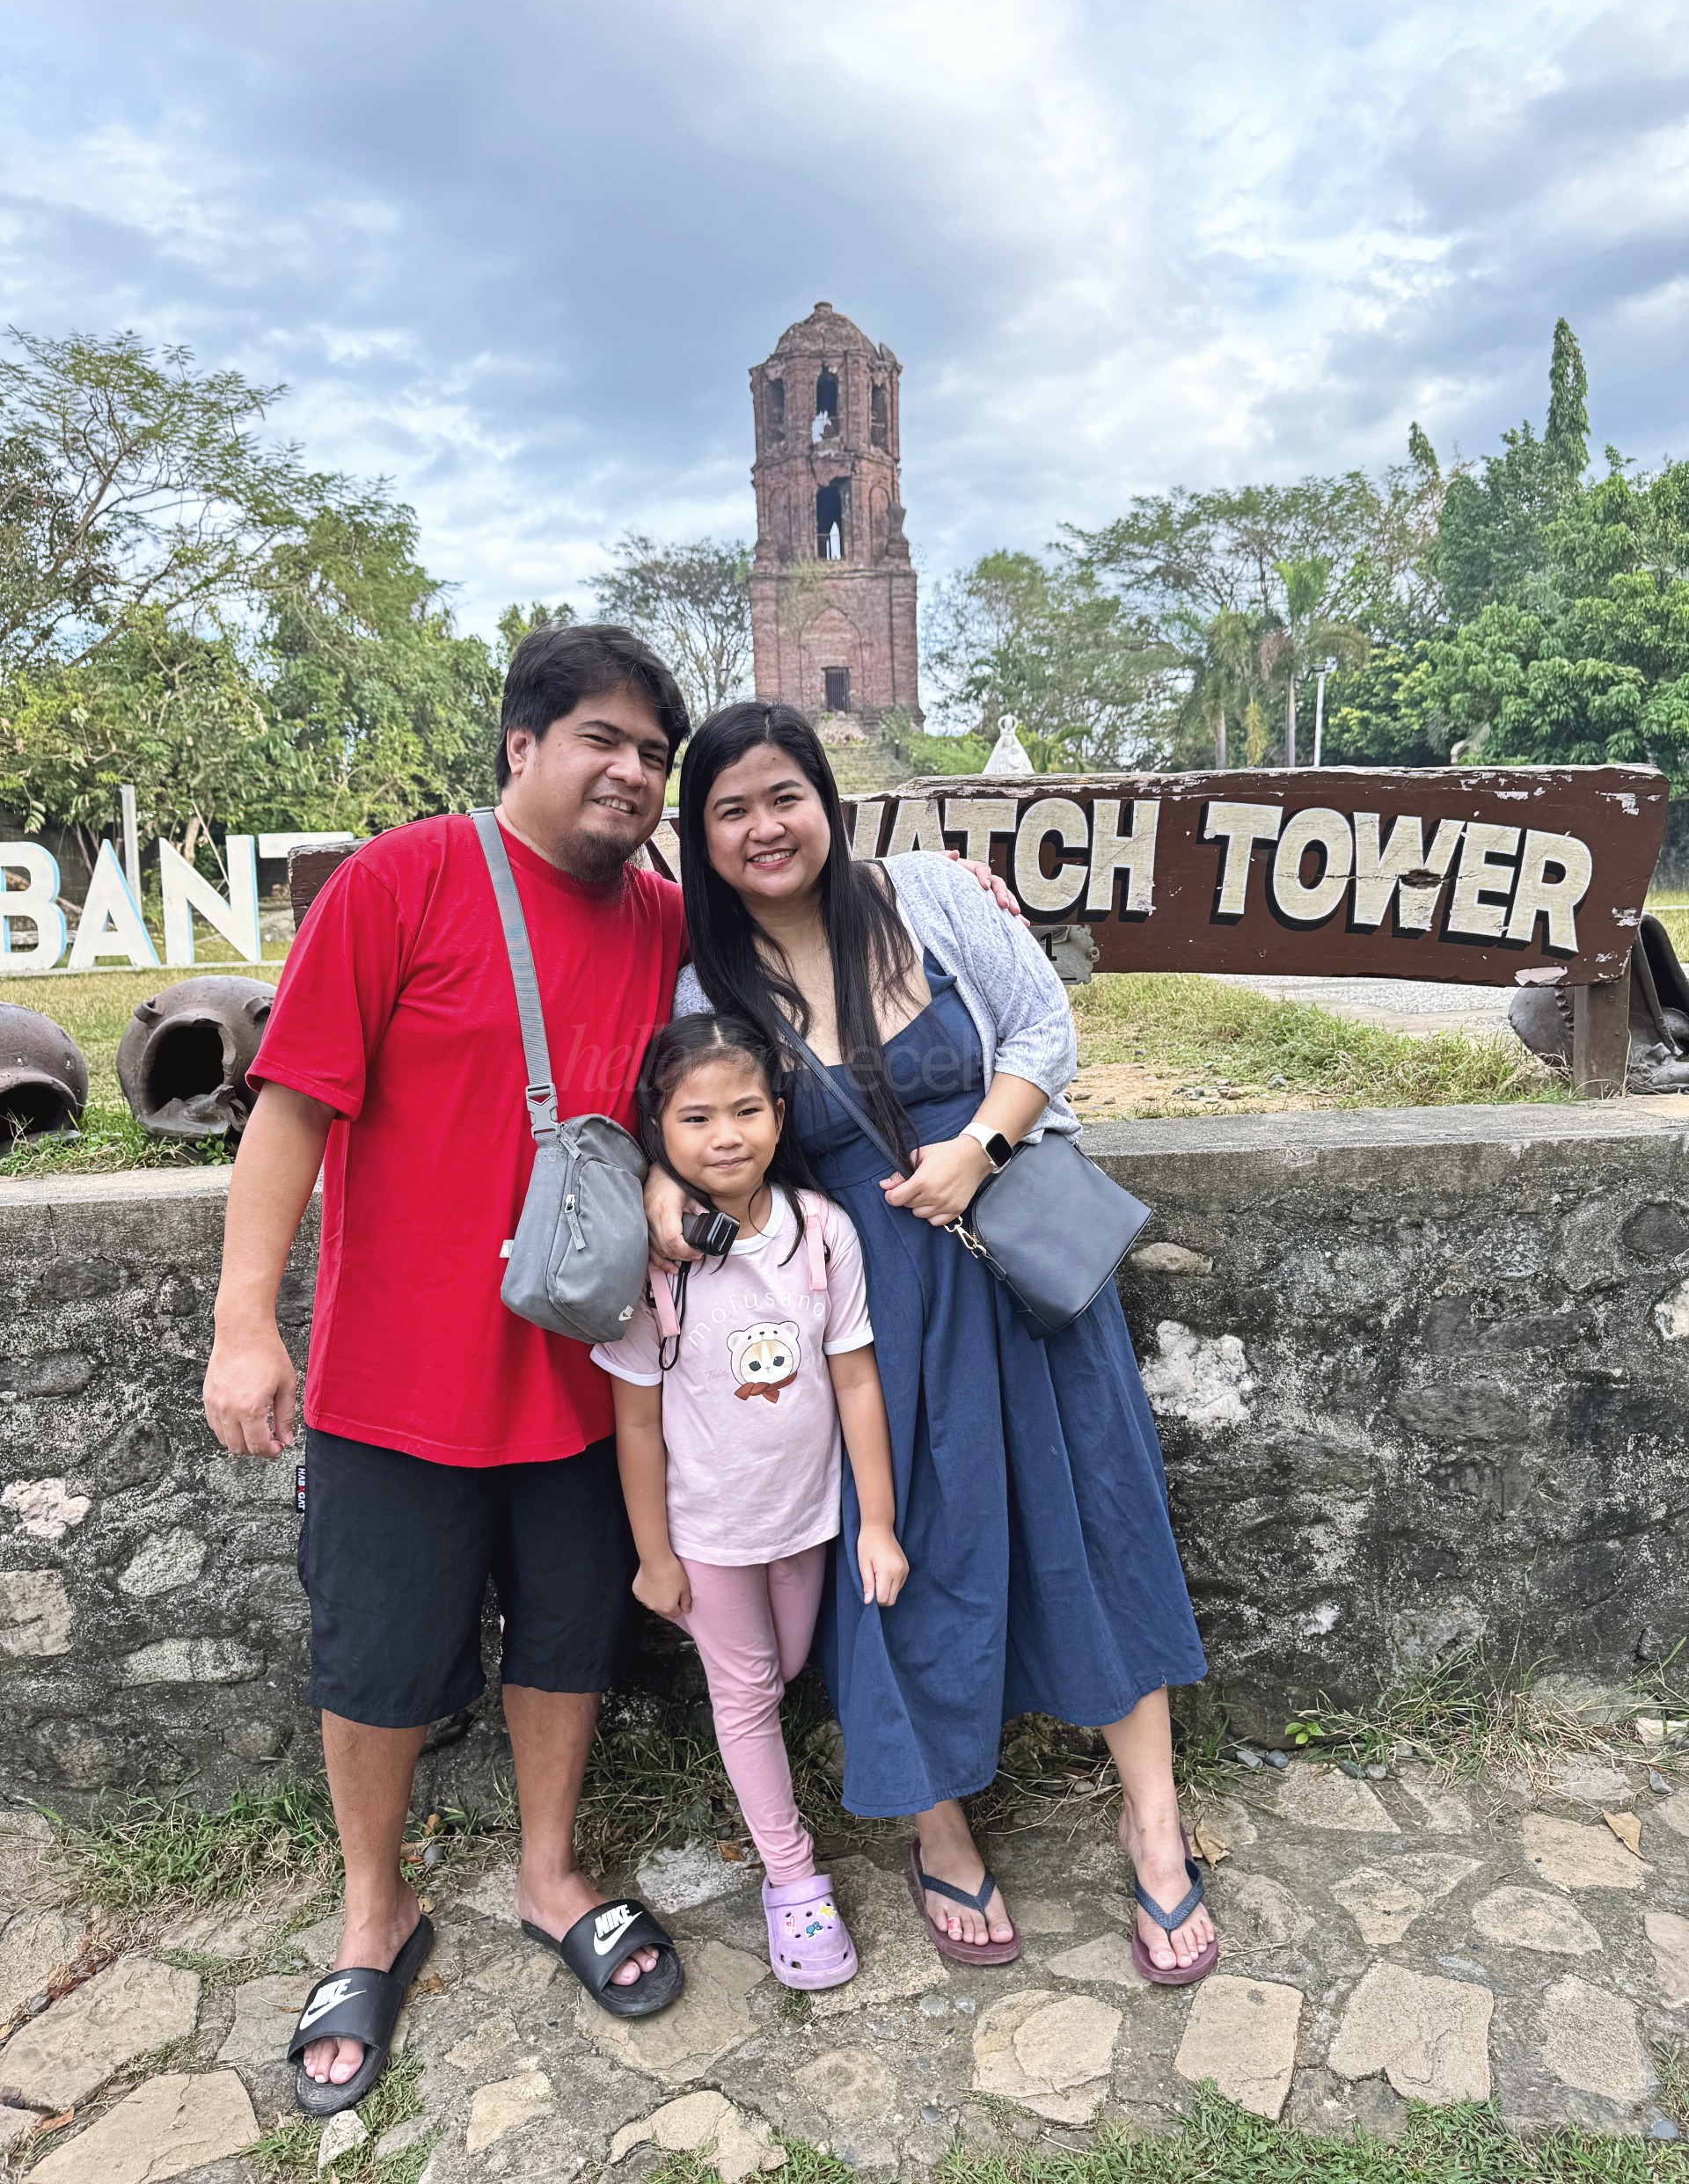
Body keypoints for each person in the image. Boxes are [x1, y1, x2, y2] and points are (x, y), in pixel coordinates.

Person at [202, 625, 698, 2116]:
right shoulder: (400, 884)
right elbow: (289, 1113)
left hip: (584, 1377)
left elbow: (807, 915)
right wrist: (245, 1320)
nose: (632, 773)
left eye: (654, 755)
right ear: (522, 746)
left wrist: (966, 891)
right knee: (376, 1659)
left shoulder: (666, 920)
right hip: (395, 1379)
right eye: (603, 738)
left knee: (565, 1637)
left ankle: (550, 1874)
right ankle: (376, 1908)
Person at [650, 700, 1218, 1985]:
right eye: (730, 809)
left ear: (825, 799)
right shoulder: (711, 984)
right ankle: (937, 1822)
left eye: (783, 795)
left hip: (1018, 1265)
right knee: (898, 1558)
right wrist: (655, 1192)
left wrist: (978, 1148)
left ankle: (1155, 1822)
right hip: (867, 1319)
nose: (763, 827)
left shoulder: (925, 895)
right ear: (702, 837)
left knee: (1101, 1522)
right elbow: (700, 1133)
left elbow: (1043, 1033)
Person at [594, 1014, 908, 1988]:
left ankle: (765, 1782)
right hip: (710, 1534)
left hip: (807, 1520)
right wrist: (654, 1554)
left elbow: (857, 1379)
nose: (725, 1135)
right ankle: (791, 1877)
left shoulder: (823, 1232)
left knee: (786, 1667)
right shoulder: (654, 1264)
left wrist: (880, 1521)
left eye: (745, 1110)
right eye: (696, 1116)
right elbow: (636, 1422)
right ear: (659, 1124)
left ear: (779, 1113)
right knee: (746, 1695)